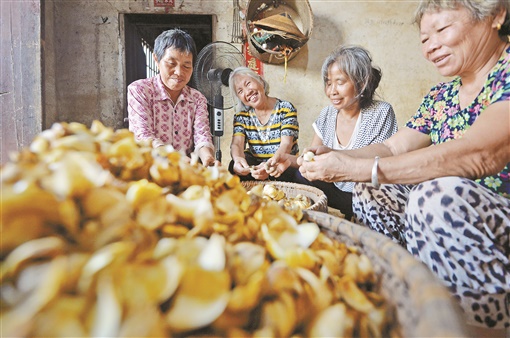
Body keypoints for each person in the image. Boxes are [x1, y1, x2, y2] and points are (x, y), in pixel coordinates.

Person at [298, 0, 509, 330]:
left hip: (495, 212)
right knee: (371, 191)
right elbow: (393, 146)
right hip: (452, 208)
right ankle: (411, 289)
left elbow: (478, 154)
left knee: (435, 196)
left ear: (496, 15)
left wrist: (358, 170)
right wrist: (335, 159)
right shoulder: (442, 96)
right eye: (424, 38)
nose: (431, 46)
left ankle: (479, 325)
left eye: (442, 29)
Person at [266, 45, 398, 220]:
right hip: (335, 190)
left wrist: (335, 160)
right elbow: (311, 158)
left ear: (361, 82)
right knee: (292, 173)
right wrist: (287, 160)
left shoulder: (380, 112)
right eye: (328, 83)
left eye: (340, 82)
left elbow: (380, 166)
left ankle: (359, 217)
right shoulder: (327, 114)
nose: (332, 91)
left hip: (365, 194)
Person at [127, 29, 216, 166]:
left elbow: (202, 135)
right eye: (171, 64)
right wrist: (173, 158)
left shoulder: (197, 99)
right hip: (149, 171)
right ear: (156, 59)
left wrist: (208, 158)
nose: (179, 72)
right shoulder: (140, 91)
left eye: (186, 66)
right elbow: (143, 135)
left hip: (185, 173)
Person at [228, 67, 300, 181]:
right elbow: (237, 144)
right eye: (240, 91)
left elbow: (286, 145)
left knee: (287, 171)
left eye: (248, 84)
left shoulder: (285, 108)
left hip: (281, 164)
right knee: (233, 166)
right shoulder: (241, 116)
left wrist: (269, 167)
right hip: (256, 166)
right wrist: (238, 160)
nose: (247, 92)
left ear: (260, 81)